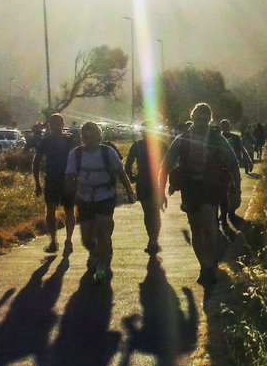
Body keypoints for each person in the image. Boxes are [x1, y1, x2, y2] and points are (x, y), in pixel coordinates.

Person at [158, 103, 239, 286]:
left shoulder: (217, 139)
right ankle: (204, 265)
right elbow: (165, 166)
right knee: (196, 228)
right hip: (191, 188)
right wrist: (160, 192)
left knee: (209, 225)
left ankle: (210, 265)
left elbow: (233, 163)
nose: (200, 123)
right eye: (197, 119)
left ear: (209, 120)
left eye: (204, 120)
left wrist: (236, 190)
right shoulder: (182, 139)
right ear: (192, 118)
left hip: (211, 187)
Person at [66, 121, 134, 283]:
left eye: (93, 135)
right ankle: (94, 252)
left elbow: (120, 172)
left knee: (103, 231)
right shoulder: (75, 154)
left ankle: (102, 266)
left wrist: (130, 191)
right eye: (86, 136)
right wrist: (69, 194)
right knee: (87, 238)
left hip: (105, 195)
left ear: (99, 136)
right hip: (84, 197)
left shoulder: (108, 152)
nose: (89, 139)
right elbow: (69, 176)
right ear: (82, 137)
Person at [33, 113, 76, 254]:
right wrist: (37, 183)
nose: (56, 127)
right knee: (50, 211)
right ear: (49, 126)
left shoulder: (70, 141)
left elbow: (79, 159)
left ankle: (68, 240)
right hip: (51, 180)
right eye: (53, 124)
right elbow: (37, 162)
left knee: (69, 211)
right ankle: (53, 240)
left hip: (68, 180)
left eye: (59, 124)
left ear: (63, 125)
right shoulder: (46, 142)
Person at [125, 120, 164, 254]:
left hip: (148, 181)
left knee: (150, 213)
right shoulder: (159, 145)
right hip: (151, 182)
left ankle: (153, 239)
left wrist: (132, 177)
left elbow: (128, 165)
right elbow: (128, 164)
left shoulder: (138, 146)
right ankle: (153, 239)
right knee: (152, 212)